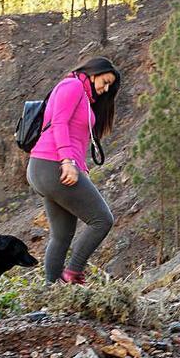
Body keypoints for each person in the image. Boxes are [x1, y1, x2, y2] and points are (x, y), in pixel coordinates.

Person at [27, 57, 120, 285]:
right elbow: (59, 123)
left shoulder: (84, 96)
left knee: (61, 235)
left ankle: (51, 292)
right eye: (104, 81)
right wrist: (67, 161)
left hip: (46, 167)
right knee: (102, 220)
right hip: (52, 164)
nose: (105, 88)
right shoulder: (73, 85)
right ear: (94, 72)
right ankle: (73, 273)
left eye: (109, 86)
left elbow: (77, 139)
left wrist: (81, 167)